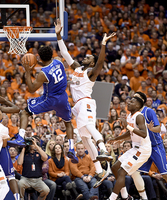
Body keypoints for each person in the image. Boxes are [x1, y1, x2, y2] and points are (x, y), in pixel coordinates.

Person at [55, 19, 115, 187]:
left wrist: (103, 44)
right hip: (78, 105)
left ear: (91, 62)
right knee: (85, 139)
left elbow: (100, 64)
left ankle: (103, 148)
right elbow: (65, 53)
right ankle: (100, 170)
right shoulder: (76, 69)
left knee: (89, 127)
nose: (86, 56)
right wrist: (58, 35)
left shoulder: (91, 73)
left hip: (87, 102)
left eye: (89, 56)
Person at [23, 37, 78, 164]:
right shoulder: (58, 61)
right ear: (52, 54)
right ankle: (71, 148)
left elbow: (31, 89)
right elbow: (57, 59)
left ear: (39, 58)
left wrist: (27, 71)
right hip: (63, 98)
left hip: (50, 99)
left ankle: (20, 137)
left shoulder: (43, 73)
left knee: (25, 112)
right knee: (68, 123)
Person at [134, 92, 167, 200]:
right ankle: (144, 198)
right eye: (133, 98)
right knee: (135, 171)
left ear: (142, 101)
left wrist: (150, 128)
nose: (134, 99)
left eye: (136, 98)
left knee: (165, 174)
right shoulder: (134, 115)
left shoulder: (149, 111)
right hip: (144, 147)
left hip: (155, 146)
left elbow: (158, 129)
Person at [108, 96, 151, 200]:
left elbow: (144, 134)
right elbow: (130, 132)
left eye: (132, 102)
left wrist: (128, 126)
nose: (128, 103)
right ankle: (125, 196)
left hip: (143, 149)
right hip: (135, 148)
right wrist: (117, 138)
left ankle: (111, 198)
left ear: (137, 106)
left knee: (122, 172)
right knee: (114, 167)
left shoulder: (139, 116)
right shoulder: (129, 116)